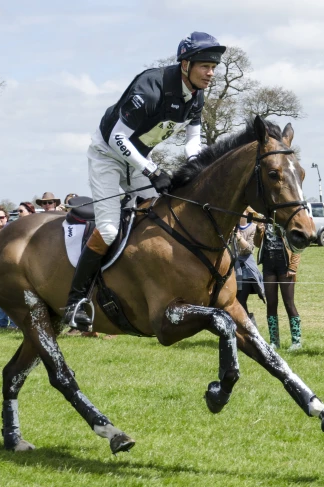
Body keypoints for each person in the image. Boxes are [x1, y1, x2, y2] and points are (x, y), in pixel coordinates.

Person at [63, 31, 226, 331]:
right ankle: (75, 303)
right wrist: (152, 171)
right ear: (186, 64)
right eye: (205, 65)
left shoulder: (196, 95)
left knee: (162, 217)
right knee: (110, 229)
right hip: (107, 156)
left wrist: (198, 169)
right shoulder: (150, 88)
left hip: (138, 159)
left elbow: (193, 142)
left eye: (214, 66)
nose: (211, 72)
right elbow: (117, 137)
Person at [255, 220, 302, 351]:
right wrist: (258, 231)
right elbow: (257, 244)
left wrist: (293, 267)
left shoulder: (288, 221)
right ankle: (274, 341)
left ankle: (296, 341)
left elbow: (297, 247)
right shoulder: (264, 220)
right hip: (268, 264)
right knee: (271, 303)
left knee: (289, 303)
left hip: (285, 264)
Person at [233, 208, 265, 325]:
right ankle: (245, 328)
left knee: (241, 300)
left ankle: (250, 328)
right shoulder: (232, 227)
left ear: (246, 212)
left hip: (246, 269)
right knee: (233, 301)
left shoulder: (252, 228)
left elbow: (249, 249)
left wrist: (239, 237)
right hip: (233, 268)